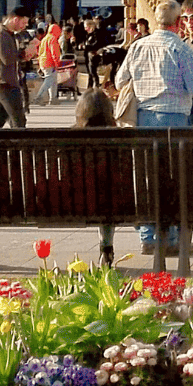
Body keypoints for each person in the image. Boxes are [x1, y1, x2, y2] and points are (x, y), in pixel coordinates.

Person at [120, 2, 193, 255]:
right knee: (174, 179)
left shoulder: (138, 46)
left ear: (156, 20)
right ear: (179, 22)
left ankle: (148, 236)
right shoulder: (180, 49)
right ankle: (171, 239)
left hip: (144, 118)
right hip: (174, 119)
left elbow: (119, 80)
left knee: (149, 178)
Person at [72, 87, 120, 266]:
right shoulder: (118, 138)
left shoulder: (68, 137)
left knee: (101, 195)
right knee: (107, 197)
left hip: (73, 201)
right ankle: (106, 247)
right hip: (112, 203)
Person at [31, 18, 65, 107]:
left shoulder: (45, 38)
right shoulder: (53, 39)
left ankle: (53, 98)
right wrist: (57, 63)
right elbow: (55, 52)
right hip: (50, 62)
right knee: (49, 80)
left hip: (43, 61)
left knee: (52, 81)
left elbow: (40, 51)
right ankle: (39, 97)